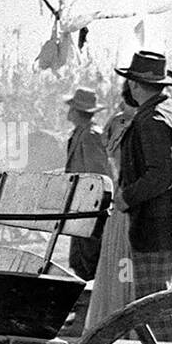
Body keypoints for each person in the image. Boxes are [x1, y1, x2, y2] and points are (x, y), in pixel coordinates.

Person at [112, 51, 172, 300]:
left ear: (134, 84)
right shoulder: (164, 113)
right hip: (161, 225)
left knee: (152, 306)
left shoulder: (151, 120)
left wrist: (127, 197)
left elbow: (162, 175)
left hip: (154, 227)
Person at [84, 103, 137, 330]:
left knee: (122, 266)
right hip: (128, 205)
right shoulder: (129, 123)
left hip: (125, 203)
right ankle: (123, 319)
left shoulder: (122, 122)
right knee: (125, 266)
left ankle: (119, 315)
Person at [62, 86, 111, 280]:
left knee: (89, 258)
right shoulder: (80, 134)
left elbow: (98, 175)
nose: (69, 112)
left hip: (90, 206)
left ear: (78, 112)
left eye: (72, 108)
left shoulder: (90, 136)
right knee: (79, 260)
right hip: (80, 206)